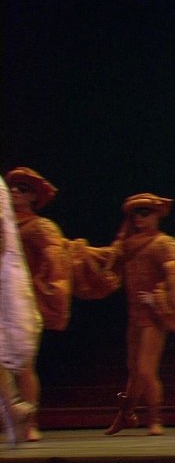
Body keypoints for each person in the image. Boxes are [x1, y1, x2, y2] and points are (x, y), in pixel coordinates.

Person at [70, 193, 175, 436]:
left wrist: (158, 298)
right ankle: (126, 415)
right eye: (135, 214)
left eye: (144, 213)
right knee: (135, 371)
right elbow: (105, 258)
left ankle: (155, 419)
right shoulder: (127, 246)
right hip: (135, 315)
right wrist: (76, 250)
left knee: (146, 370)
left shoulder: (164, 244)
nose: (139, 218)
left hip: (153, 315)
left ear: (156, 215)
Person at [5, 167, 72, 442]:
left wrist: (46, 293)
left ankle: (30, 422)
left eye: (23, 189)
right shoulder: (5, 225)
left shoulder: (39, 227)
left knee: (23, 364)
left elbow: (55, 265)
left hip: (23, 300)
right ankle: (13, 417)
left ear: (34, 196)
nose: (15, 192)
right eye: (13, 187)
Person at [0, 174, 43, 447]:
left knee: (21, 359)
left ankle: (22, 416)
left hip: (7, 282)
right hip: (10, 279)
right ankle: (13, 410)